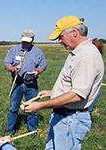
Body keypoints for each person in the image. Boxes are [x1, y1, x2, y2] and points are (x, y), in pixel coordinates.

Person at [23, 16, 104, 150]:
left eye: (60, 37)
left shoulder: (86, 56)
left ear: (74, 33)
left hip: (70, 119)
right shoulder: (78, 52)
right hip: (64, 117)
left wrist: (40, 106)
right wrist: (53, 92)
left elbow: (77, 95)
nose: (59, 41)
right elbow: (76, 85)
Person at [3, 29, 47, 134]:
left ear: (32, 40)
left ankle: (32, 131)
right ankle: (9, 131)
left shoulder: (37, 52)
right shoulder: (14, 50)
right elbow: (6, 64)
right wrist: (13, 69)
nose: (25, 43)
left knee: (32, 108)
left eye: (27, 41)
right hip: (17, 83)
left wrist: (37, 71)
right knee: (13, 108)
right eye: (24, 41)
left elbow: (43, 65)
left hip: (31, 84)